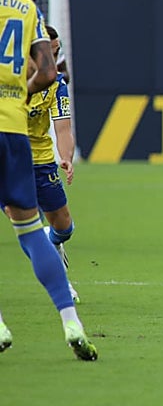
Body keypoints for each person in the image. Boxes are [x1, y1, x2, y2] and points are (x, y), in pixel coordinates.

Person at [0, 0, 96, 359]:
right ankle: (70, 321)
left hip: (27, 141)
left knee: (53, 224)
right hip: (14, 132)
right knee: (30, 231)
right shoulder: (25, 9)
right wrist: (18, 94)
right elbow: (47, 71)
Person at [22, 17, 80, 303]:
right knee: (26, 224)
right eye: (49, 53)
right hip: (10, 158)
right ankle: (61, 287)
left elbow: (63, 127)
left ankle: (52, 245)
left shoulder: (57, 83)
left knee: (64, 226)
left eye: (57, 53)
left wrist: (66, 157)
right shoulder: (10, 78)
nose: (54, 59)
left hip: (42, 160)